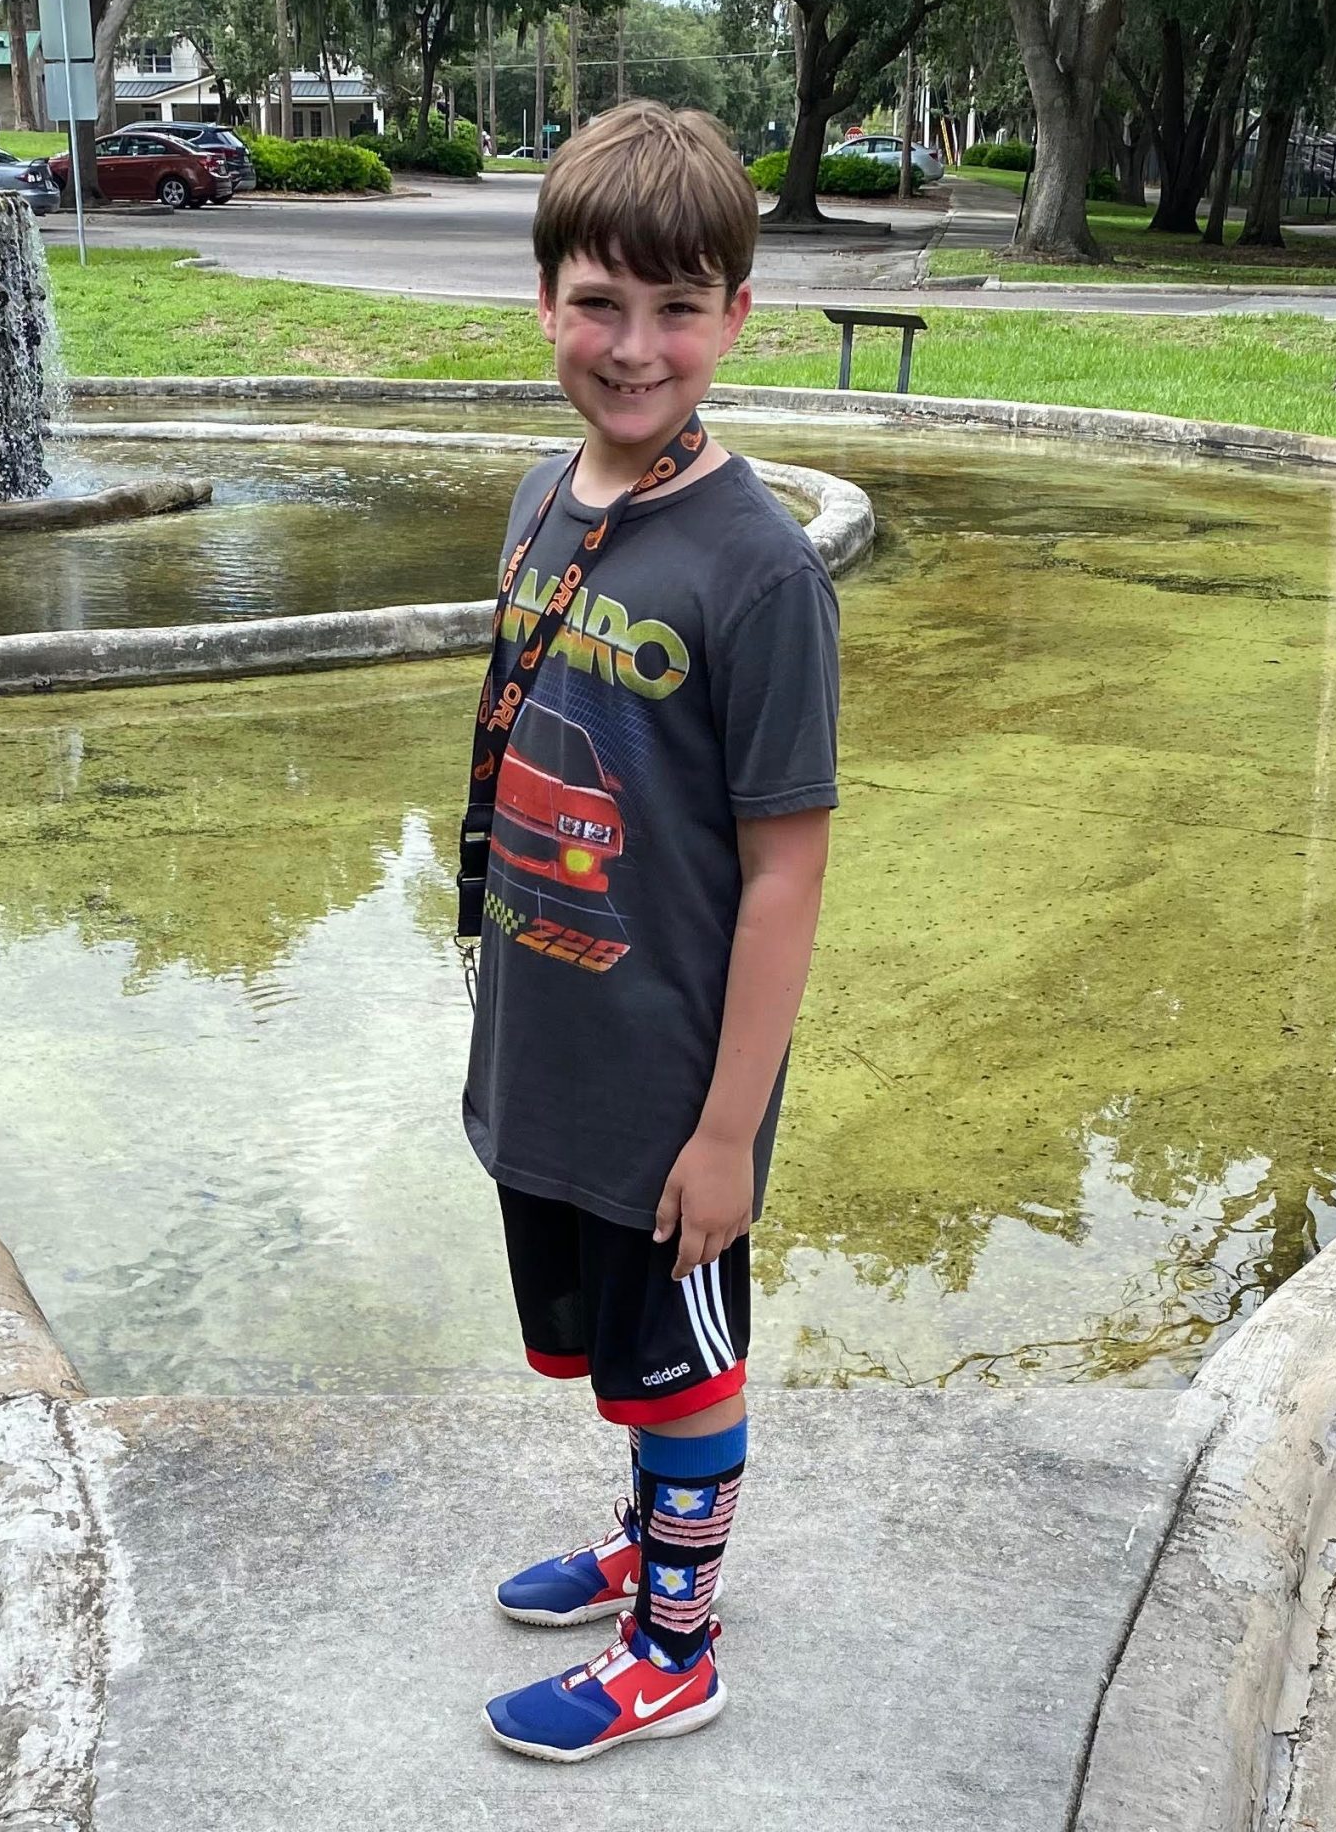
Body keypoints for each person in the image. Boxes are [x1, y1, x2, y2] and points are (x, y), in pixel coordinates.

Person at [461, 99, 840, 1762]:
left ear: (737, 318)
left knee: (685, 1365)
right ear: (544, 300)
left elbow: (785, 871)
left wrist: (729, 1132)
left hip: (674, 1086)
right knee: (619, 1354)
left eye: (678, 309)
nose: (636, 347)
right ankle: (649, 1542)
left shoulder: (758, 572)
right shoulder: (549, 497)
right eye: (601, 304)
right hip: (557, 1041)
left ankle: (677, 1646)